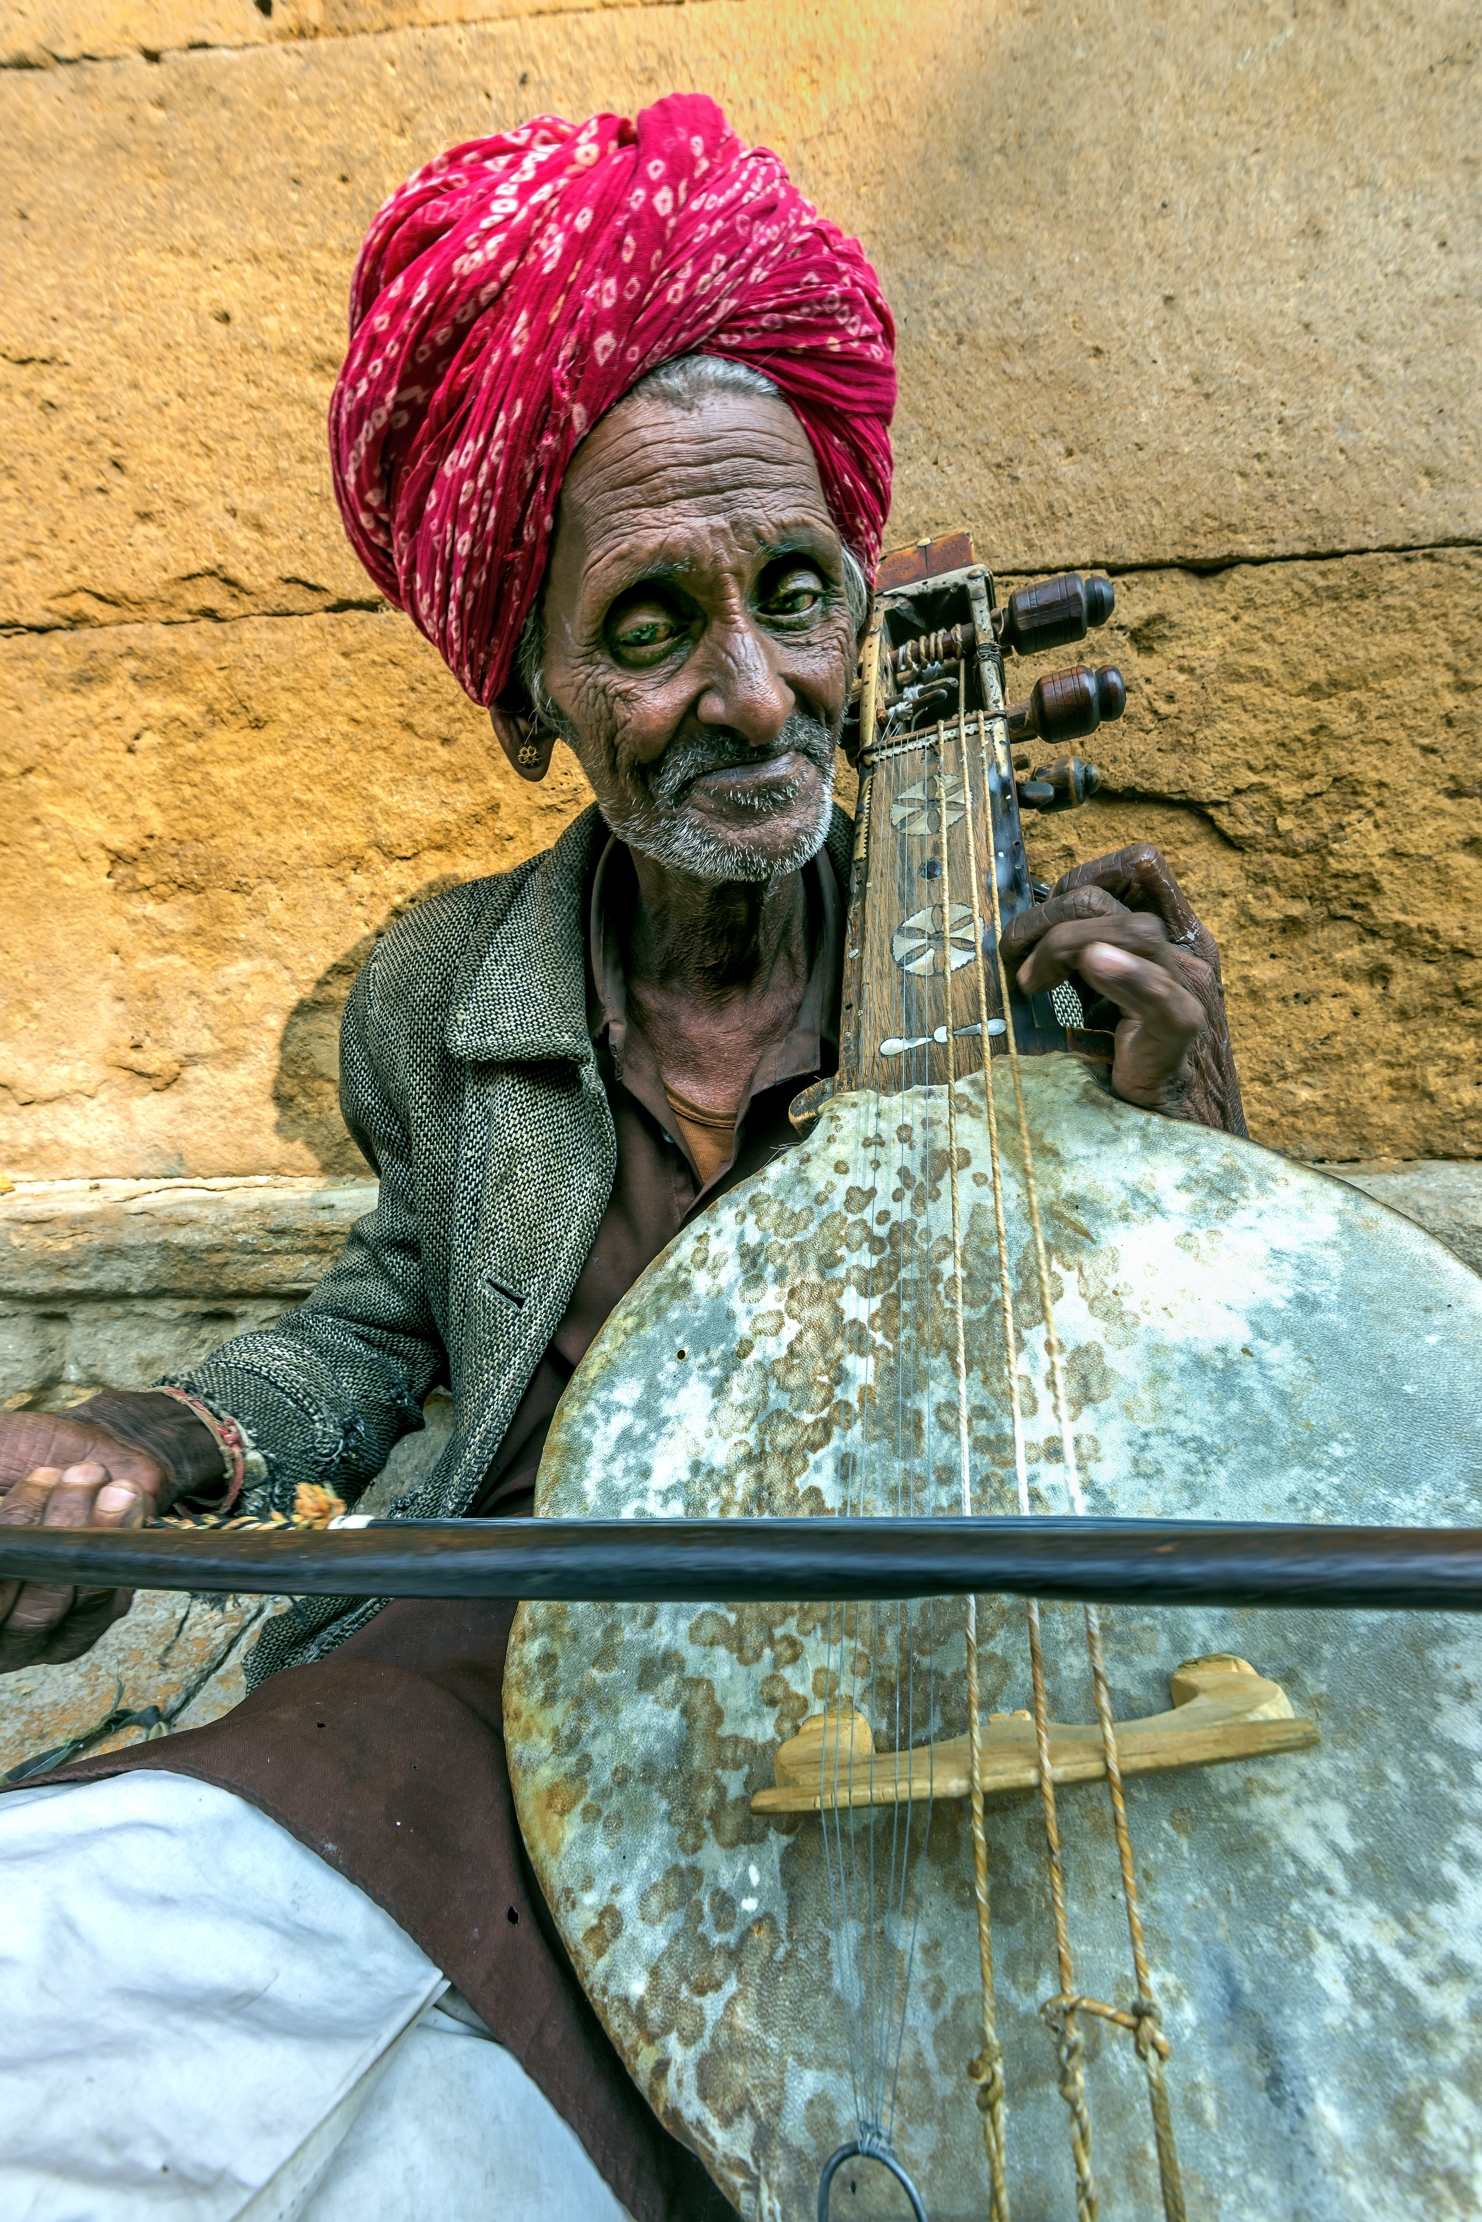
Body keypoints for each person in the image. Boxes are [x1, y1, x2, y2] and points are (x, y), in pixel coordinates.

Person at [0, 95, 1245, 2222]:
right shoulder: (441, 991)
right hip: (502, 1675)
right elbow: (387, 1321)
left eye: (794, 597)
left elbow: (1203, 1408)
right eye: (654, 629)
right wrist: (151, 1434)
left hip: (915, 1694)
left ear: (860, 615)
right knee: (122, 2013)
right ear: (527, 692)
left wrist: (1194, 1171)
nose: (757, 696)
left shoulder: (1024, 973)